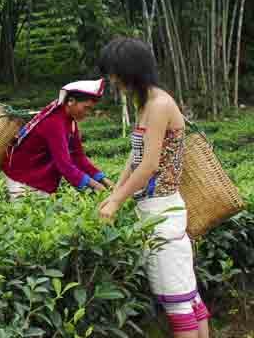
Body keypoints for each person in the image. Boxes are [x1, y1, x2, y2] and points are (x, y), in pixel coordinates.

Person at [97, 37, 210, 338]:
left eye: (114, 72)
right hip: (157, 209)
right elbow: (135, 158)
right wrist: (116, 192)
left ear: (130, 70)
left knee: (178, 302)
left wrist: (116, 202)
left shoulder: (159, 105)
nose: (112, 80)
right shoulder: (146, 102)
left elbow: (148, 166)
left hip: (162, 210)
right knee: (187, 295)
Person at [2, 79, 112, 199]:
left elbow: (78, 157)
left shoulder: (69, 121)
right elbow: (65, 166)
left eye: (90, 109)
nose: (88, 113)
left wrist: (105, 181)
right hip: (23, 179)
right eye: (86, 108)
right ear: (71, 101)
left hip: (38, 177)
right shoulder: (55, 122)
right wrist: (100, 189)